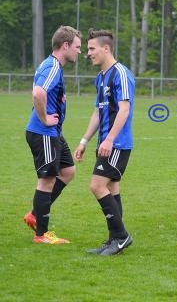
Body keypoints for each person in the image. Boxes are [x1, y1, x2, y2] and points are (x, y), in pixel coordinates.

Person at [73, 28, 135, 255]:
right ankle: (113, 240)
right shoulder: (100, 77)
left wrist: (109, 139)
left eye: (91, 48)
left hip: (117, 144)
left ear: (105, 48)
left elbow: (124, 109)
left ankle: (121, 237)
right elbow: (98, 113)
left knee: (97, 185)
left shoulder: (121, 73)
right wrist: (83, 141)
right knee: (111, 188)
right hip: (104, 143)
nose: (88, 53)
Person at [24, 26, 82, 244]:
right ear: (65, 45)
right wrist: (45, 118)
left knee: (67, 171)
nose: (79, 51)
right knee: (47, 181)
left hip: (53, 133)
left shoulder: (52, 64)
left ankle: (35, 214)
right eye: (77, 47)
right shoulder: (53, 67)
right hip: (44, 132)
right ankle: (41, 234)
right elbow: (38, 93)